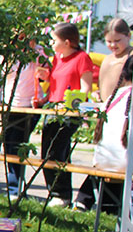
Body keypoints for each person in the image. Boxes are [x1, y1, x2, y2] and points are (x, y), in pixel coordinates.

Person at [74, 20, 133, 212]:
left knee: (118, 158)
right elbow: (104, 86)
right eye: (109, 41)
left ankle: (97, 202)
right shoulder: (108, 60)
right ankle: (96, 201)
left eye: (117, 40)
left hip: (123, 115)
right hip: (109, 112)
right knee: (106, 157)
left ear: (128, 36)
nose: (113, 45)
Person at [37, 22, 93, 207]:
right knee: (50, 151)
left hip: (69, 111)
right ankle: (59, 194)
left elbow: (85, 89)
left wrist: (71, 105)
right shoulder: (56, 59)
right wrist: (44, 97)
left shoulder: (82, 58)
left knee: (55, 151)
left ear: (67, 42)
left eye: (54, 40)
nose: (51, 43)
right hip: (52, 108)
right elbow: (55, 85)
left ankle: (60, 194)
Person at [2, 36, 47, 196]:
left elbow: (49, 75)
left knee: (18, 144)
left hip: (29, 105)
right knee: (8, 144)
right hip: (10, 104)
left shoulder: (38, 53)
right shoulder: (8, 53)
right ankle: (14, 186)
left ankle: (16, 188)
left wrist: (42, 73)